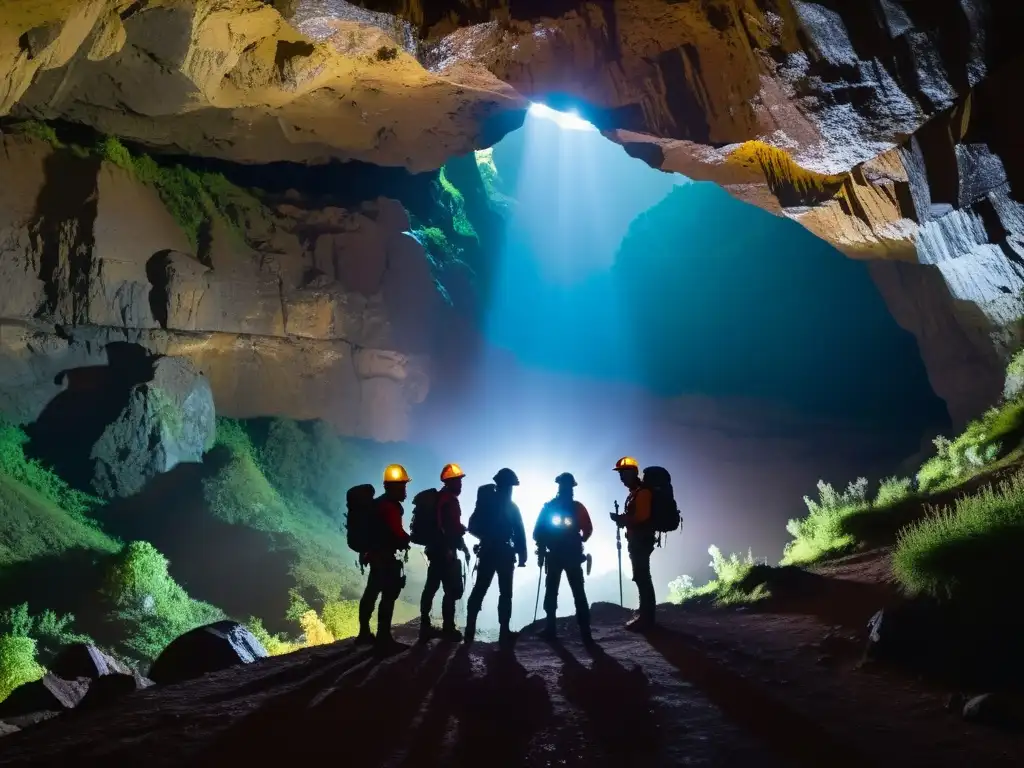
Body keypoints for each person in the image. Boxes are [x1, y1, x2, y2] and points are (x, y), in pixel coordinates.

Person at [464, 468, 528, 645]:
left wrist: (486, 538)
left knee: (480, 589)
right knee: (505, 593)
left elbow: (472, 526)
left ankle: (470, 632)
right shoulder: (511, 507)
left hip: (488, 552)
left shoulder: (486, 504)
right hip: (504, 553)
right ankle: (504, 632)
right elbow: (519, 532)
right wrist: (523, 555)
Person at [357, 463, 412, 653]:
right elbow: (397, 533)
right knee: (388, 596)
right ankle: (384, 638)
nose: (405, 489)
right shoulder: (391, 508)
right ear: (393, 487)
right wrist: (407, 538)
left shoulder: (378, 503)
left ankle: (364, 633)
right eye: (403, 486)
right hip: (385, 558)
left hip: (374, 556)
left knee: (371, 594)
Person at [534, 472, 594, 645]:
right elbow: (587, 529)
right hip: (572, 555)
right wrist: (580, 540)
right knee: (577, 591)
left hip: (555, 554)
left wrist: (542, 546)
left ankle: (551, 628)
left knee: (553, 590)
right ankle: (585, 632)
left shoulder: (550, 507)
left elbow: (537, 532)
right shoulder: (577, 507)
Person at [419, 463, 471, 642]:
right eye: (458, 482)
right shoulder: (450, 501)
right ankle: (448, 628)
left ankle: (425, 624)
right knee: (451, 590)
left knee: (431, 587)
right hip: (445, 551)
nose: (461, 485)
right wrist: (459, 540)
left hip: (435, 550)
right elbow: (451, 528)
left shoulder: (440, 499)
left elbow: (444, 526)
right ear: (451, 483)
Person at [610, 456, 656, 631]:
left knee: (643, 576)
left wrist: (621, 519)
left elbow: (641, 517)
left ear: (632, 473)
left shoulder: (643, 493)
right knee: (641, 576)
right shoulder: (635, 493)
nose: (621, 477)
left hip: (641, 539)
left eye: (623, 474)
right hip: (638, 539)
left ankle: (647, 618)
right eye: (620, 474)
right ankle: (645, 614)